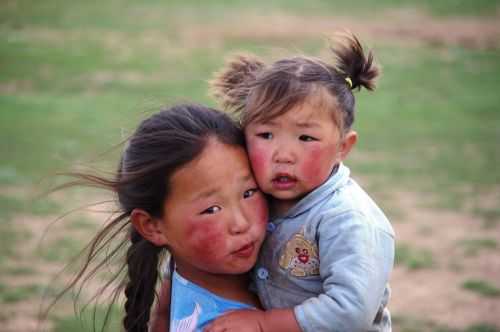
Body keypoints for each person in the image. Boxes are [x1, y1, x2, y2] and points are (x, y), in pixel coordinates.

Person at [206, 31, 395, 331]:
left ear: (343, 148)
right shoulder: (251, 196)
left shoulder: (348, 218)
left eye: (306, 137)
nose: (283, 155)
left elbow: (351, 311)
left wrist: (265, 324)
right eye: (265, 135)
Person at [53, 104, 269, 332]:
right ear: (152, 227)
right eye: (212, 210)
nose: (241, 223)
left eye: (249, 193)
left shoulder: (180, 270)